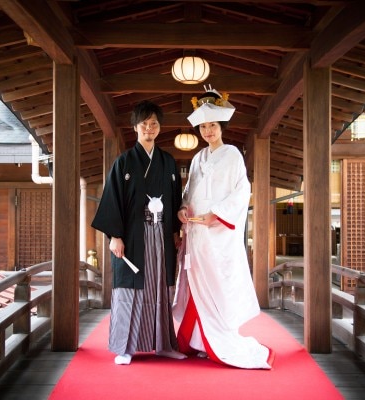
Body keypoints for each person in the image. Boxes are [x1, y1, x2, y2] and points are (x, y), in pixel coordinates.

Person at [173, 86, 273, 369]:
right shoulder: (197, 159)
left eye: (212, 125)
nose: (208, 131)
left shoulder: (232, 155)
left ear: (221, 127)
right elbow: (189, 191)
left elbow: (242, 192)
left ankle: (217, 340)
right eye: (203, 126)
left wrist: (215, 215)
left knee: (217, 287)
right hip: (196, 234)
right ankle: (198, 341)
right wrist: (182, 208)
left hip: (218, 235)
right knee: (195, 286)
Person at [92, 100, 186, 365]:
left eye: (154, 123)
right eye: (144, 124)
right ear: (135, 127)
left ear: (159, 128)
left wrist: (175, 232)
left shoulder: (167, 162)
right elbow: (112, 199)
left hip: (161, 235)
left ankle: (163, 344)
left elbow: (176, 199)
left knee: (159, 288)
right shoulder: (124, 162)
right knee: (130, 289)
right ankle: (125, 347)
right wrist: (115, 236)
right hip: (132, 236)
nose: (149, 128)